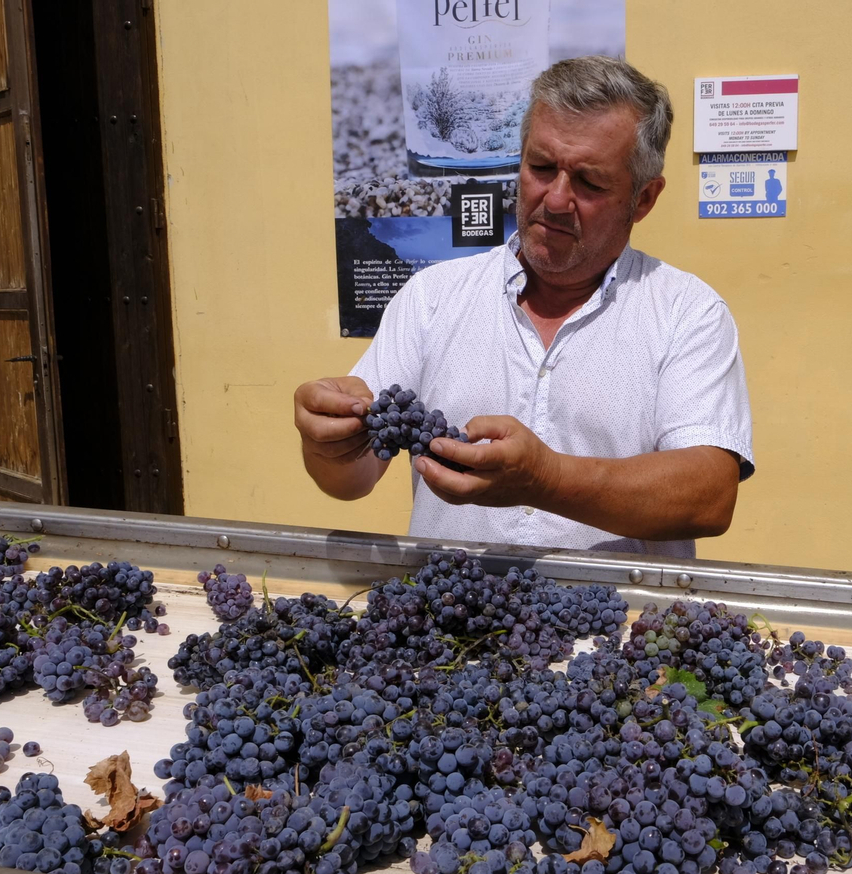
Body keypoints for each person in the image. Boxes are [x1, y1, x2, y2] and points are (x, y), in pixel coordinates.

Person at [293, 56, 754, 557]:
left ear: (643, 199)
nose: (555, 200)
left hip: (614, 627)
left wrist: (547, 479)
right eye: (540, 167)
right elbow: (352, 479)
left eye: (589, 183)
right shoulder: (434, 297)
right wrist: (328, 445)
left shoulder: (688, 312)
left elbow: (709, 497)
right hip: (452, 625)